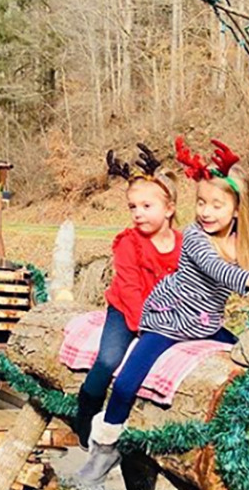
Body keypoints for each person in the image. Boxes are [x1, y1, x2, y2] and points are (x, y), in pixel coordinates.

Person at [77, 137, 249, 484]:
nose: (205, 212)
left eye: (216, 205)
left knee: (243, 355)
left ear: (236, 209)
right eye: (201, 203)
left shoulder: (238, 243)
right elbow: (220, 272)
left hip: (203, 322)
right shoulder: (196, 237)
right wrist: (248, 279)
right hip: (169, 318)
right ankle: (105, 444)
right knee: (126, 382)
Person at [73, 144, 182, 448]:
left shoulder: (184, 245)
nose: (138, 214)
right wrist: (148, 328)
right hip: (125, 310)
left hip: (166, 313)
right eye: (133, 207)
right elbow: (132, 290)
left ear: (169, 208)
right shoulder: (128, 243)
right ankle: (85, 414)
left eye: (147, 207)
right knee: (109, 359)